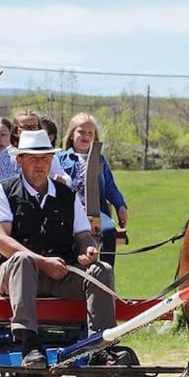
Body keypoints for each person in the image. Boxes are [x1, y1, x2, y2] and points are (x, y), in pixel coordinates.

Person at [0, 130, 115, 368]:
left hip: (60, 273)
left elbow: (84, 235)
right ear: (20, 161)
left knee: (101, 270)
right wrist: (42, 262)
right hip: (13, 275)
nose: (40, 163)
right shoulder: (3, 190)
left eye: (45, 158)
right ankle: (30, 344)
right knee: (23, 259)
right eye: (33, 158)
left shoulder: (67, 195)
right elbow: (0, 241)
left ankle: (100, 345)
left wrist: (88, 250)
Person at [56, 113, 128, 267]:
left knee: (108, 230)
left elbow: (110, 186)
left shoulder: (99, 160)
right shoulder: (60, 159)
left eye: (90, 133)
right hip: (70, 209)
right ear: (71, 135)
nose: (86, 136)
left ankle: (107, 272)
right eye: (81, 132)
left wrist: (120, 206)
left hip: (96, 210)